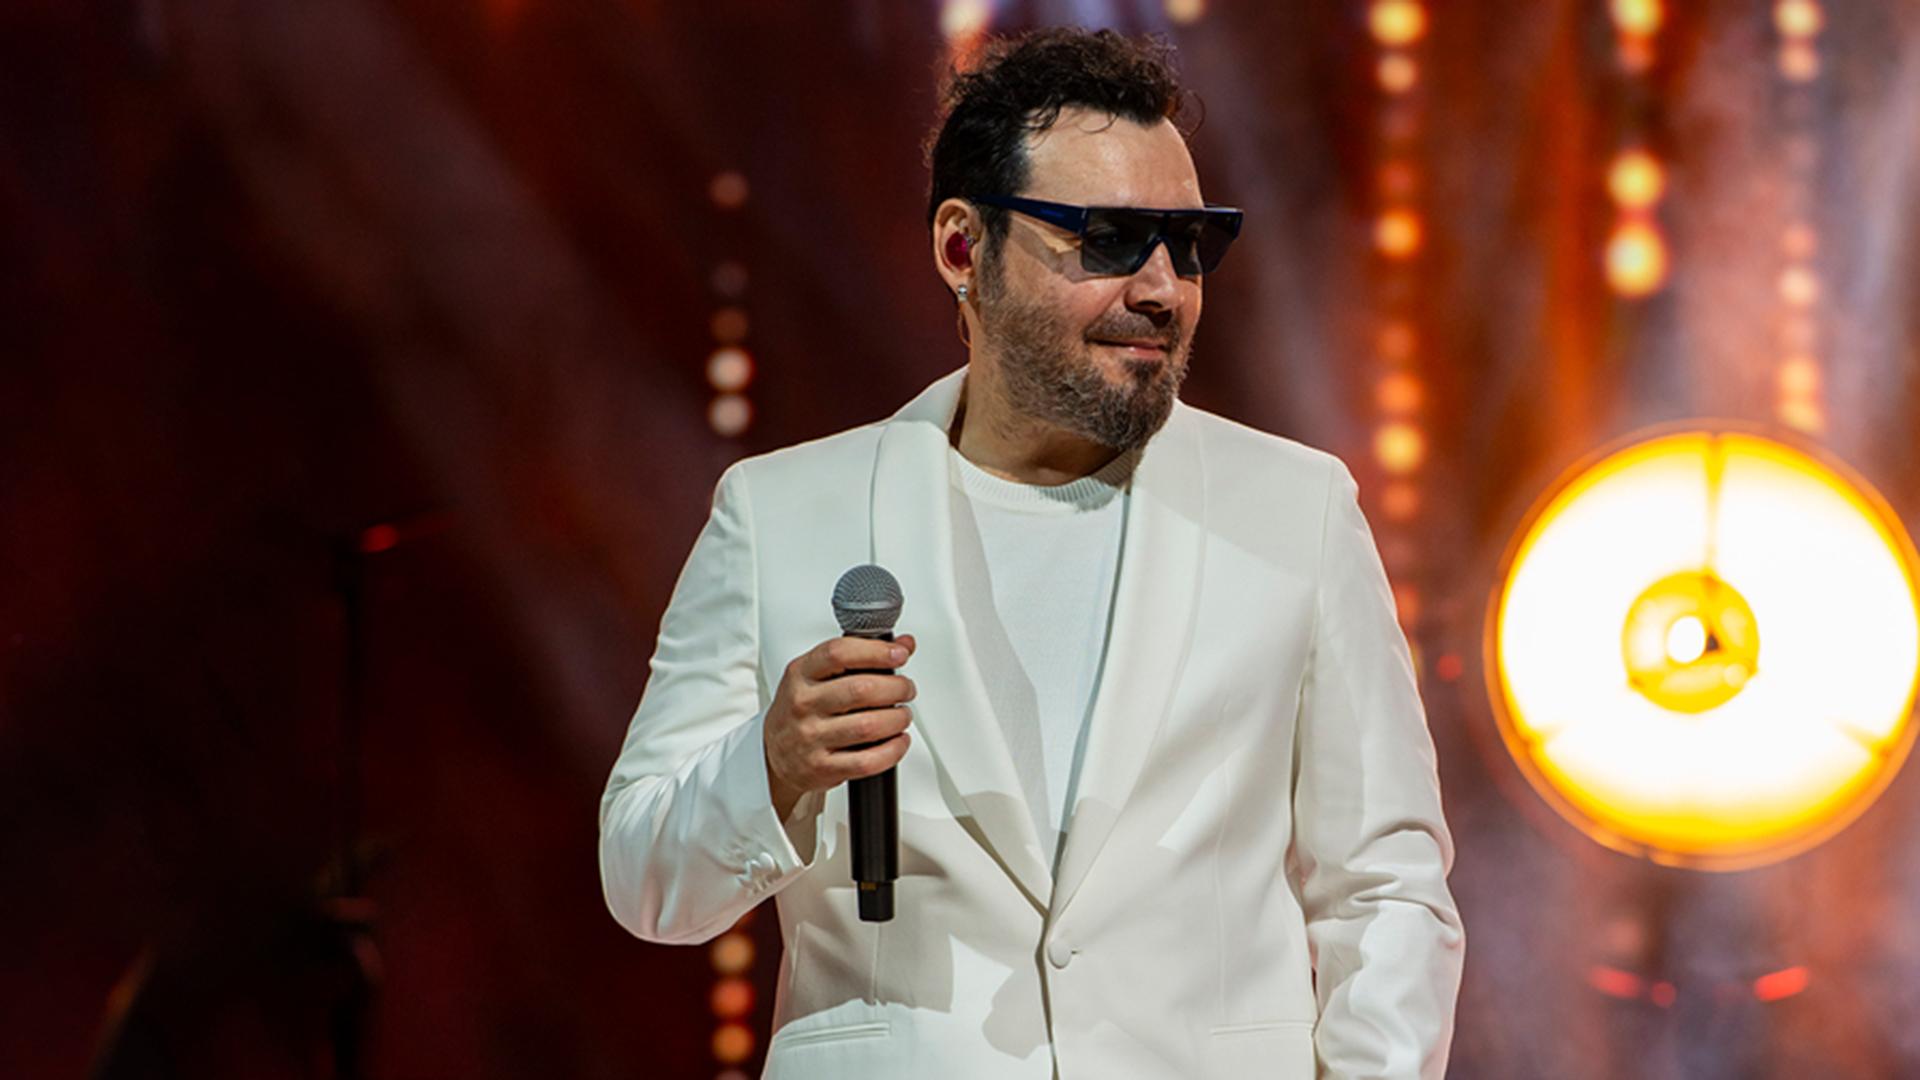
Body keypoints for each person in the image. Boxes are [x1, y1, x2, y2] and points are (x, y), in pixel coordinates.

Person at [600, 27, 1463, 1079]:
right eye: (1109, 238)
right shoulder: (783, 513)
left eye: (1189, 244)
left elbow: (1386, 888)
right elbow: (643, 879)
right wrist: (772, 767)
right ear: (963, 249)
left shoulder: (1296, 507)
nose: (1163, 288)